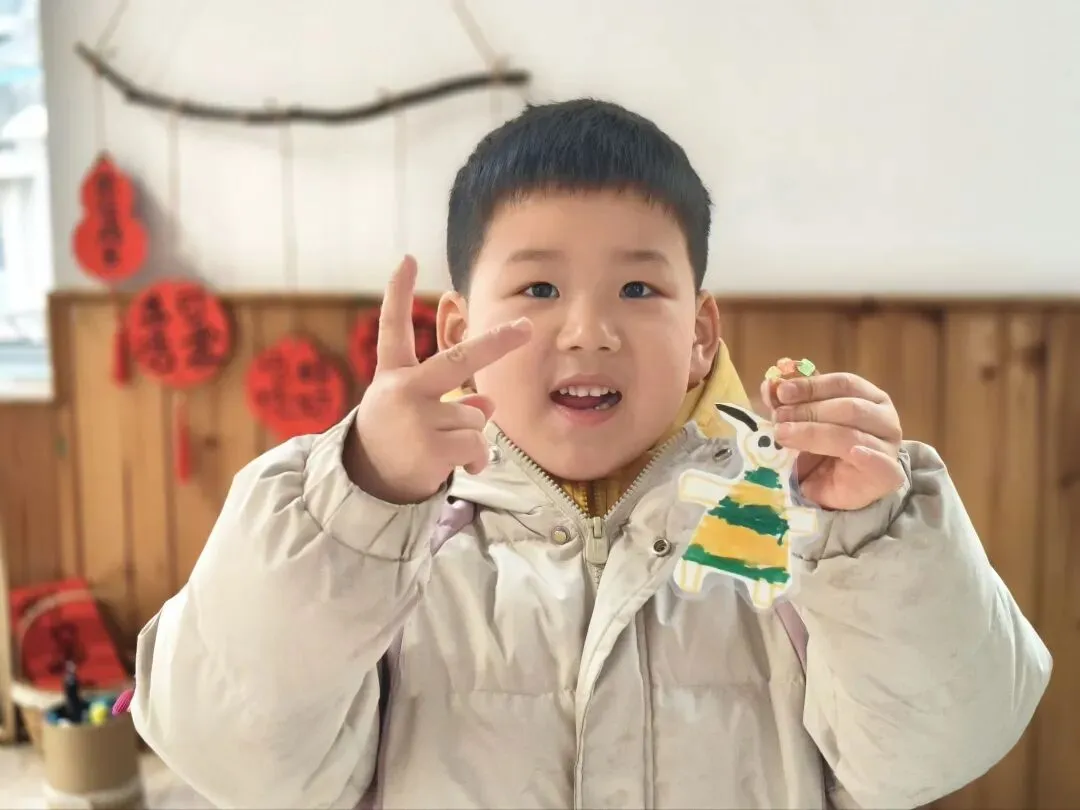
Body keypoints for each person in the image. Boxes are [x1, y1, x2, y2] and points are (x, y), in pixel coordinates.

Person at [127, 99, 1051, 809]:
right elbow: (235, 755)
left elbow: (931, 752)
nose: (589, 330)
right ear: (458, 329)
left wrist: (872, 534)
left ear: (701, 335)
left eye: (639, 288)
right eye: (538, 287)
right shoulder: (384, 540)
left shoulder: (787, 525)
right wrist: (357, 500)